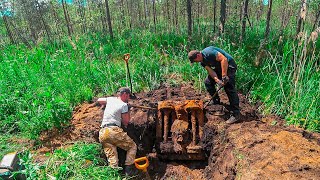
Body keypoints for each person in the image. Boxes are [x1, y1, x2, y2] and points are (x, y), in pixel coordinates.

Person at [188, 46, 240, 124]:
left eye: (195, 61)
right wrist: (217, 80)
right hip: (219, 68)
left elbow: (224, 59)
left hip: (229, 66)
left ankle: (236, 114)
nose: (196, 62)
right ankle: (216, 101)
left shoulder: (209, 53)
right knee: (208, 82)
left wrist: (224, 76)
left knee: (229, 88)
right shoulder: (202, 62)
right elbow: (210, 71)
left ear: (198, 55)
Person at [97, 87, 137, 175]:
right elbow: (126, 122)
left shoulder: (111, 100)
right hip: (113, 131)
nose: (128, 98)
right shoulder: (123, 105)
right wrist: (128, 109)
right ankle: (128, 170)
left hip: (103, 133)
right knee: (132, 146)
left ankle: (113, 175)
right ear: (125, 94)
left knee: (113, 161)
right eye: (128, 96)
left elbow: (99, 100)